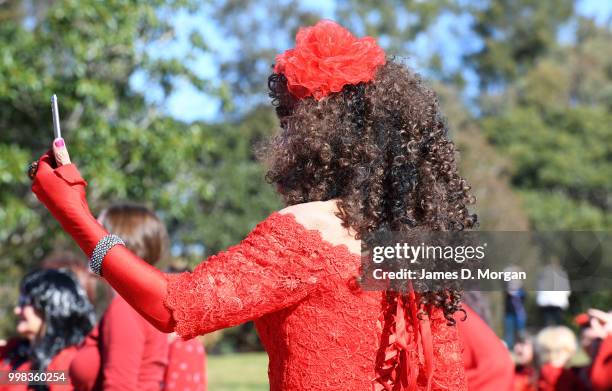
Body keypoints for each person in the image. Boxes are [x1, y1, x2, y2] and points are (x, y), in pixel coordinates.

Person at [31, 20, 477, 390]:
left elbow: (173, 307)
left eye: (287, 124)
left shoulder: (305, 233)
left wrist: (75, 214)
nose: (280, 141)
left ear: (318, 138)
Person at [69, 203, 170, 391]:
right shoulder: (136, 304)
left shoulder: (126, 307)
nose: (86, 240)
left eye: (96, 232)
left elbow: (119, 386)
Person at [0, 269, 95, 391]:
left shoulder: (67, 362)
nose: (17, 310)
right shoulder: (14, 351)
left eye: (25, 303)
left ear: (49, 307)